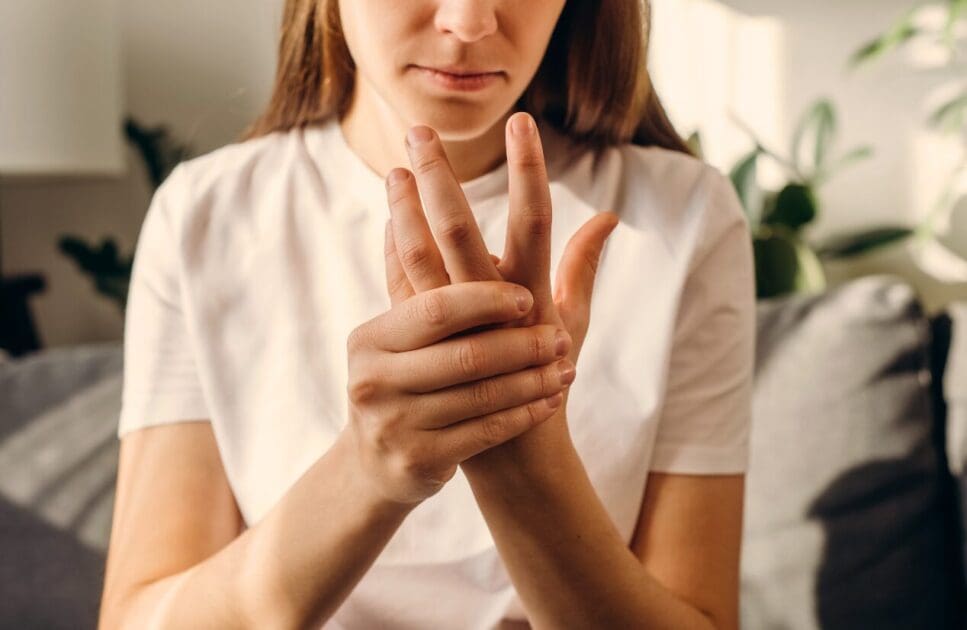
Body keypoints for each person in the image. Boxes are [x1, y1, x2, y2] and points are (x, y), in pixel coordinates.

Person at [98, 0, 755, 628]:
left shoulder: (682, 218)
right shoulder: (205, 215)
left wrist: (522, 460)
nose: (468, 22)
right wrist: (372, 464)